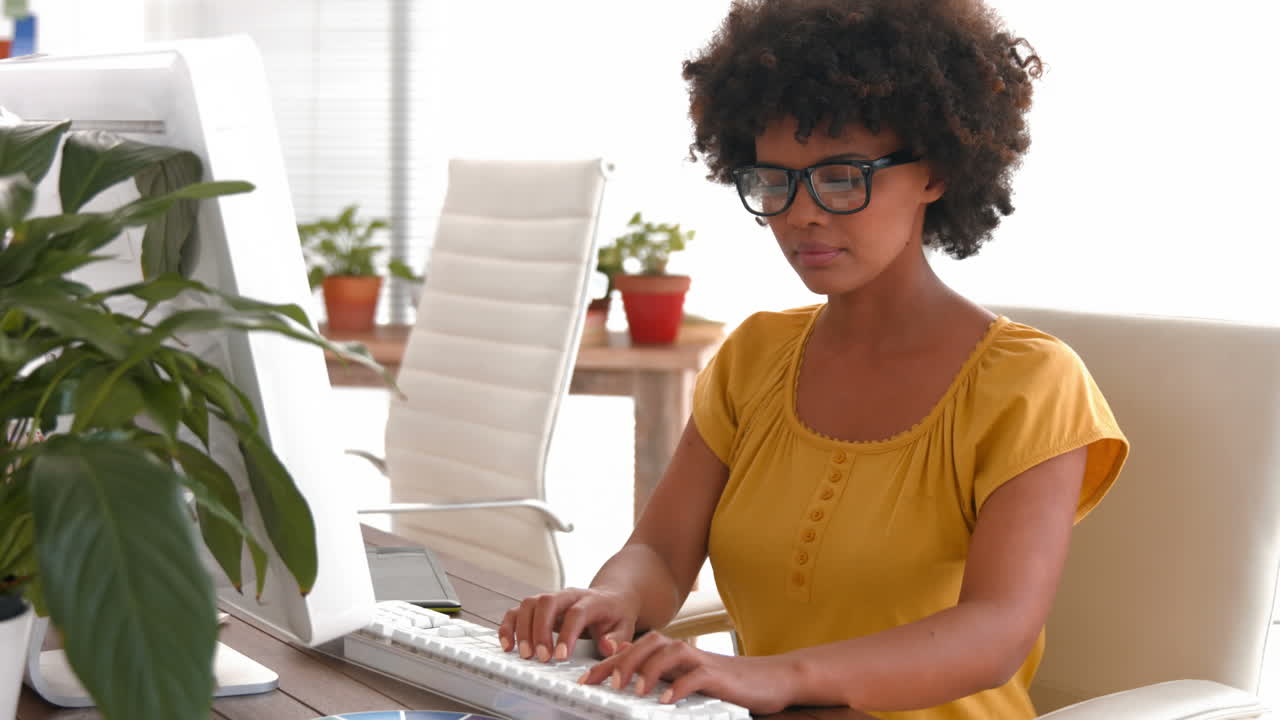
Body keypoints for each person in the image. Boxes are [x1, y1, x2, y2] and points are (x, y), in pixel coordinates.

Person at [498, 0, 1129, 717]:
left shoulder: (1029, 386)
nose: (800, 214)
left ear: (937, 169)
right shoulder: (756, 357)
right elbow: (664, 555)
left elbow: (996, 633)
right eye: (774, 181)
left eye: (840, 177)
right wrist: (610, 598)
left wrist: (779, 676)